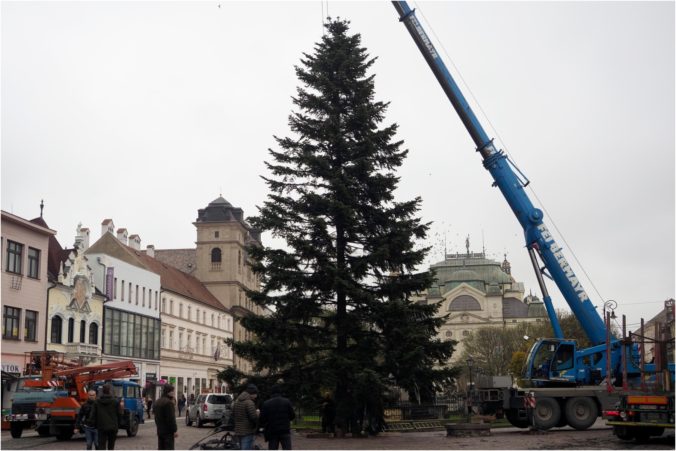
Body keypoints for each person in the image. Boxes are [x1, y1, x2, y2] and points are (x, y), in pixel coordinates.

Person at [259, 385, 295, 450]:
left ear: (271, 392)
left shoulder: (266, 403)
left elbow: (262, 419)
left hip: (272, 431)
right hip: (285, 430)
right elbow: (292, 416)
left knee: (273, 448)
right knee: (287, 448)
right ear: (280, 392)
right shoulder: (287, 402)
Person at [89, 383, 122, 450]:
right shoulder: (115, 402)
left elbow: (93, 415)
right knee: (111, 445)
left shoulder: (97, 402)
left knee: (101, 445)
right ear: (110, 391)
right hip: (113, 427)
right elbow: (120, 414)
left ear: (102, 391)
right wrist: (118, 424)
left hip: (101, 426)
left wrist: (93, 424)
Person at [233, 384, 260, 450]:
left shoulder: (237, 401)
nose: (256, 396)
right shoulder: (249, 402)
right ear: (252, 393)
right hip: (247, 431)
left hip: (238, 430)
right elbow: (253, 418)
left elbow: (233, 414)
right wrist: (257, 414)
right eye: (256, 394)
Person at [153, 384, 178, 450]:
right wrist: (174, 430)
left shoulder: (157, 402)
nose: (174, 393)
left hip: (160, 430)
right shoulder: (169, 403)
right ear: (169, 392)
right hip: (168, 432)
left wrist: (158, 427)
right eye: (173, 391)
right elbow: (171, 419)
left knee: (161, 448)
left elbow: (155, 417)